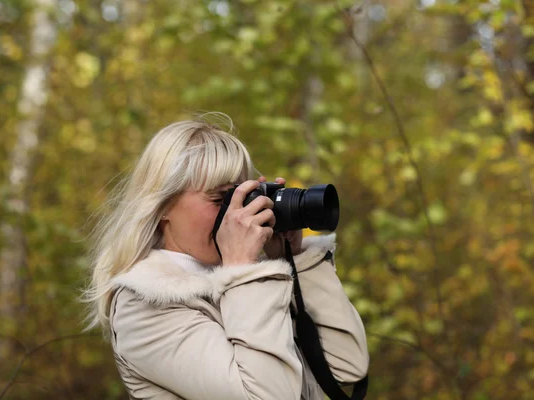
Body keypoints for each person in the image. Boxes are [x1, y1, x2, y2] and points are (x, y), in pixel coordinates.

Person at [84, 113, 369, 400]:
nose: (237, 214)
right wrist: (243, 271)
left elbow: (347, 367)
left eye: (242, 197)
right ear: (163, 206)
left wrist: (294, 258)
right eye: (221, 200)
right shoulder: (144, 304)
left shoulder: (252, 286)